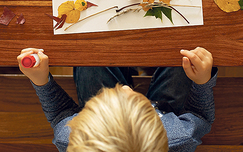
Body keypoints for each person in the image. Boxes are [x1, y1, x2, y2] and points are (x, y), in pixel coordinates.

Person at [17, 47, 218, 152]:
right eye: (132, 96)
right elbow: (200, 115)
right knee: (186, 54)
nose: (125, 87)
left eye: (105, 96)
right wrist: (202, 82)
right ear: (159, 126)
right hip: (167, 110)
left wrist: (41, 81)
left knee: (91, 56)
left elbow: (61, 114)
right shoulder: (179, 136)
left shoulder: (70, 138)